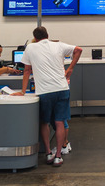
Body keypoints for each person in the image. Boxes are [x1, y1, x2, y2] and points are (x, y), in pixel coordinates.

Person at [14, 26, 81, 167]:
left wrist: (23, 91)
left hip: (44, 91)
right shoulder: (58, 45)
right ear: (47, 35)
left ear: (35, 38)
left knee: (44, 122)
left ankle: (48, 153)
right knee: (59, 122)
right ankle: (58, 156)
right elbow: (78, 50)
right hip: (62, 89)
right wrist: (70, 69)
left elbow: (26, 71)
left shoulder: (30, 48)